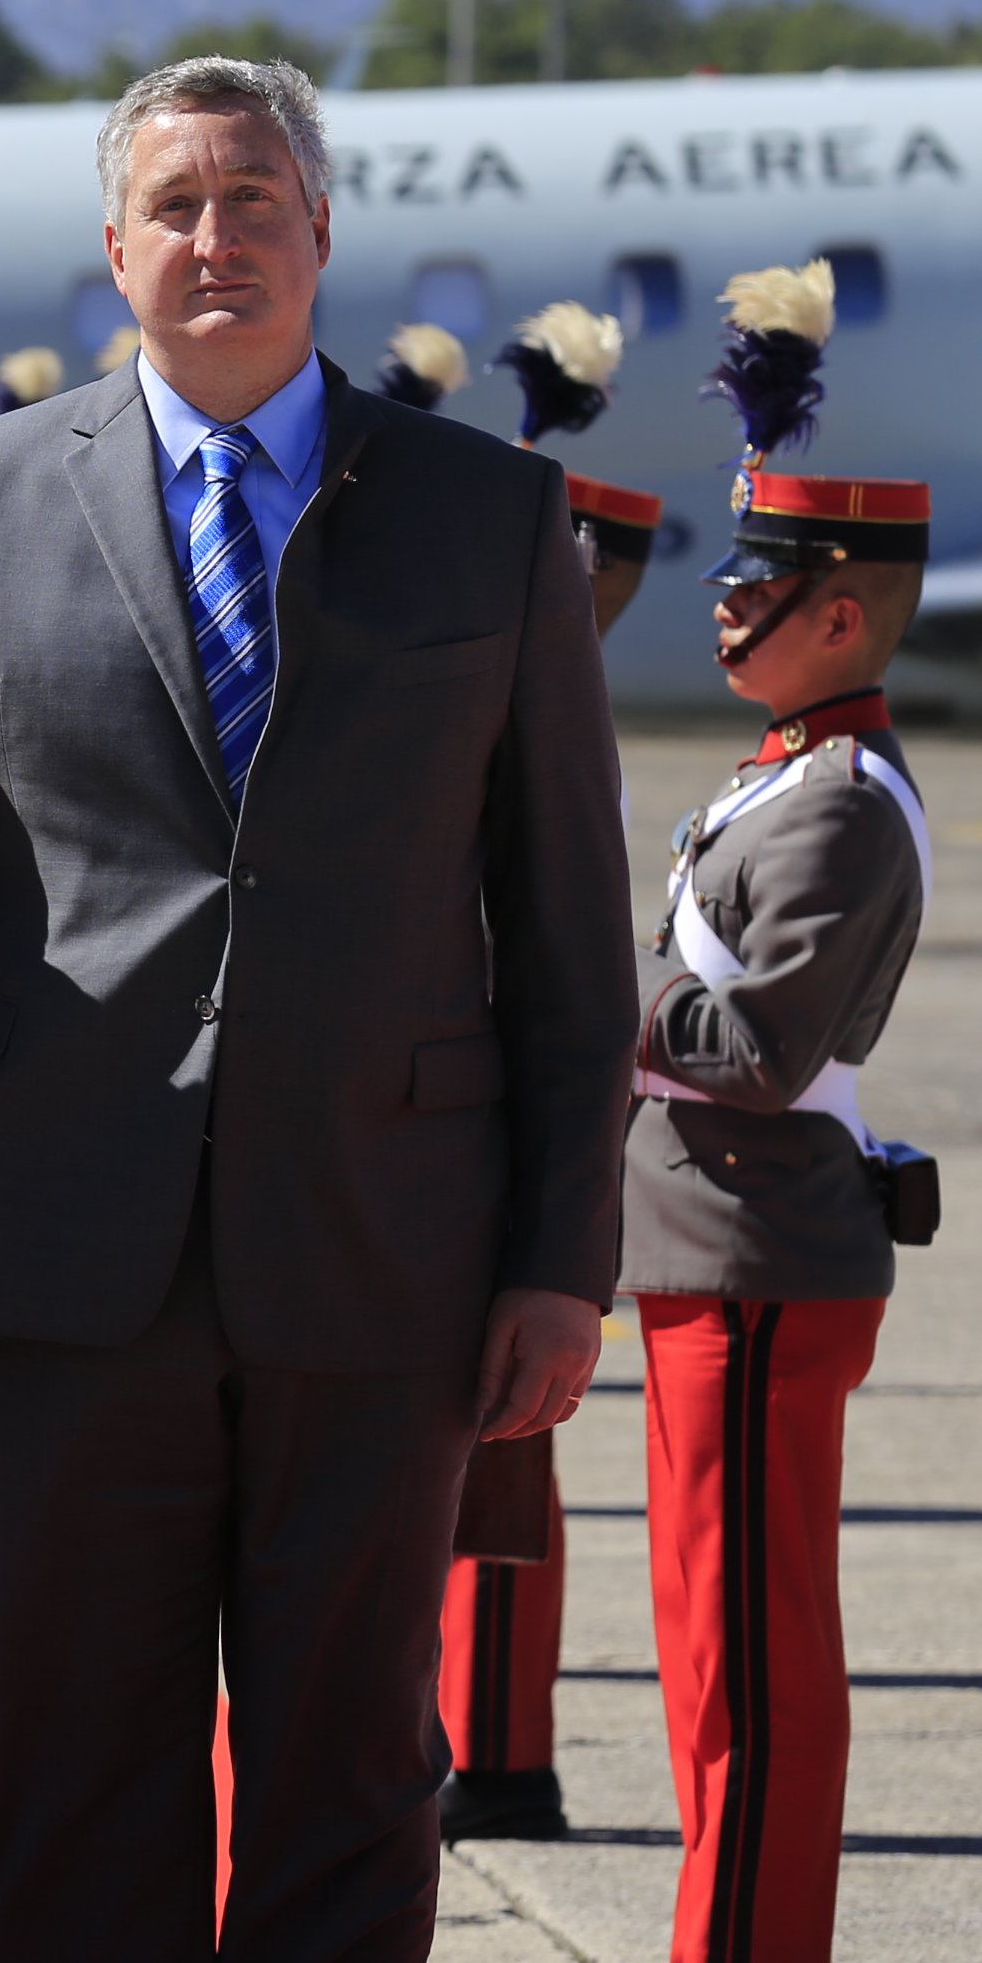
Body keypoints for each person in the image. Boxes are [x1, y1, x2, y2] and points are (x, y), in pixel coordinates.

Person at [0, 56, 637, 1963]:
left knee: (345, 1757)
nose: (216, 240)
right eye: (176, 208)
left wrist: (562, 1256)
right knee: (74, 1749)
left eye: (255, 201)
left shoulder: (485, 513)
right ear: (112, 248)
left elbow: (564, 925)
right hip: (65, 1243)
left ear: (316, 235)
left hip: (377, 1245)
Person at [625, 260, 937, 1963]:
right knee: (713, 1639)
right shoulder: (784, 773)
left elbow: (756, 1051)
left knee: (746, 1650)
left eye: (758, 586)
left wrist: (598, 988)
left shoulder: (830, 803)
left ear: (844, 614)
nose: (728, 610)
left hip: (757, 1252)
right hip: (714, 1253)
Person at [438, 302, 660, 1847]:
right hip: (443, 1110)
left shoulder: (551, 715)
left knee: (504, 1472)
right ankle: (480, 1738)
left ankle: (505, 1752)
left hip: (498, 1124)